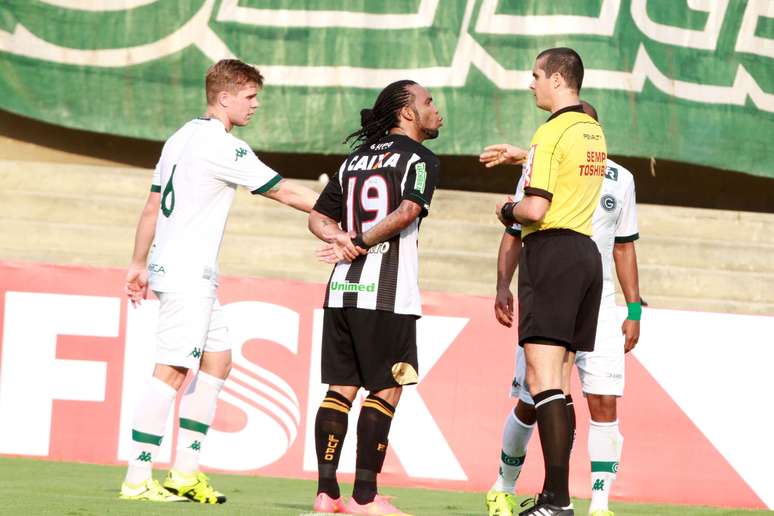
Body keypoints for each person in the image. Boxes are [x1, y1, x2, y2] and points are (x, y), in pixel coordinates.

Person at [121, 59, 318, 503]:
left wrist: (137, 264)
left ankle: (185, 472)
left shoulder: (178, 138)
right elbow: (282, 190)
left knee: (217, 363)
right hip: (188, 274)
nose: (256, 104)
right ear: (224, 96)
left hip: (185, 272)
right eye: (249, 96)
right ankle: (137, 477)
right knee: (170, 371)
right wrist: (339, 206)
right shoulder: (222, 145)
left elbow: (153, 206)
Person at [482, 101, 642, 516]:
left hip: (597, 296)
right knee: (535, 395)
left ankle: (597, 503)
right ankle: (506, 485)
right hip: (559, 280)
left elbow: (625, 245)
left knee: (600, 398)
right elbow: (515, 231)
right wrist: (502, 284)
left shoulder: (621, 179)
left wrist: (634, 307)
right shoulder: (541, 166)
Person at [307, 79, 443, 515]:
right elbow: (407, 211)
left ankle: (327, 494)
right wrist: (361, 240)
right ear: (407, 112)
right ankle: (365, 497)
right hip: (387, 294)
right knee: (386, 390)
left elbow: (317, 216)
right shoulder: (420, 159)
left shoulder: (355, 158)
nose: (435, 109)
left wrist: (341, 240)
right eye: (427, 102)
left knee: (339, 389)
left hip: (342, 289)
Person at [487, 48, 607, 516]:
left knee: (541, 380)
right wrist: (525, 155)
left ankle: (557, 499)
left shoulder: (550, 131)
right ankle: (557, 496)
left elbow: (533, 210)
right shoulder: (592, 130)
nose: (530, 82)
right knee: (559, 382)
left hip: (552, 251)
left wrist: (504, 210)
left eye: (536, 75)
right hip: (585, 255)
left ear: (557, 79)